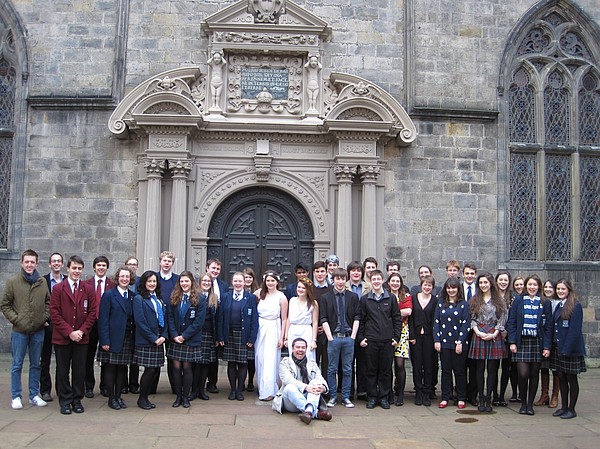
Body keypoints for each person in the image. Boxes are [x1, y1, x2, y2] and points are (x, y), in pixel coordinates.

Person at [1, 249, 51, 409]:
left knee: (36, 363)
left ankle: (33, 395)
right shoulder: (13, 282)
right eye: (27, 262)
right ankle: (16, 396)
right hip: (19, 331)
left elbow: (48, 303)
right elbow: (5, 304)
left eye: (32, 262)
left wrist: (43, 318)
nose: (30, 264)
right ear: (22, 263)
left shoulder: (42, 282)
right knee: (17, 364)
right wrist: (17, 320)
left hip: (38, 330)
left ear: (37, 263)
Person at [50, 255, 97, 415]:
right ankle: (65, 400)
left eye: (79, 268)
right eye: (74, 268)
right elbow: (54, 313)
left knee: (79, 370)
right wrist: (69, 332)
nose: (77, 271)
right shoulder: (58, 289)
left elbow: (92, 312)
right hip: (62, 337)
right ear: (68, 269)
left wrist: (81, 331)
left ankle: (77, 400)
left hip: (82, 338)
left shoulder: (87, 289)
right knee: (62, 370)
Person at [507, 274, 552, 415]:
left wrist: (546, 346)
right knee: (523, 373)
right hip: (522, 342)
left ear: (539, 286)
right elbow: (512, 322)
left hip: (537, 342)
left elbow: (548, 327)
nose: (532, 287)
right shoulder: (518, 301)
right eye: (529, 284)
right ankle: (523, 402)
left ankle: (529, 405)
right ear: (526, 286)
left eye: (535, 285)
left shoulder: (545, 302)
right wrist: (512, 341)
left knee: (534, 374)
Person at [358, 269, 402, 409]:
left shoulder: (391, 298)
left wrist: (396, 337)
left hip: (387, 340)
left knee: (385, 370)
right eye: (373, 279)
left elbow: (397, 319)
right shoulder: (365, 299)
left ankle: (383, 397)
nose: (376, 282)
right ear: (370, 281)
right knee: (371, 370)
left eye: (378, 279)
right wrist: (361, 338)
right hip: (371, 340)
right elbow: (361, 320)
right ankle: (372, 397)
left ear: (383, 280)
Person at [320, 268, 360, 408]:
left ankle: (345, 397)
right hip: (334, 338)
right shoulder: (325, 297)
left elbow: (357, 316)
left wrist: (353, 336)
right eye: (338, 278)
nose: (340, 281)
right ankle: (332, 397)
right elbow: (323, 318)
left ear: (346, 279)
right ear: (333, 280)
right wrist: (330, 337)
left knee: (348, 369)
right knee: (332, 369)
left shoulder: (353, 297)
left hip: (348, 337)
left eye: (343, 279)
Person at [97, 266, 135, 410]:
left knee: (122, 369)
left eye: (127, 277)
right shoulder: (108, 295)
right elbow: (103, 319)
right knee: (111, 369)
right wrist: (104, 340)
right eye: (122, 276)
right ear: (117, 278)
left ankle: (119, 396)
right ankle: (111, 398)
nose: (124, 279)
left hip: (127, 338)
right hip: (112, 338)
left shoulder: (132, 296)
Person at [469, 272, 508, 413]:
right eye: (481, 283)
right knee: (479, 369)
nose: (483, 285)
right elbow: (472, 318)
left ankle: (489, 398)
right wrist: (478, 332)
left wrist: (495, 333)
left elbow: (503, 318)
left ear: (491, 283)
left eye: (485, 282)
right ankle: (481, 397)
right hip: (479, 333)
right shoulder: (475, 299)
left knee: (492, 369)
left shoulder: (499, 300)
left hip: (494, 334)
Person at [166, 271, 206, 408]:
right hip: (175, 338)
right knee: (176, 368)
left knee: (187, 367)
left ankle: (186, 397)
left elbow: (199, 322)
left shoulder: (200, 299)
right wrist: (174, 335)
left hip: (190, 338)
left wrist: (184, 336)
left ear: (191, 282)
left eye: (186, 281)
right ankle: (178, 396)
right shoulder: (174, 297)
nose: (184, 284)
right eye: (182, 281)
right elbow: (170, 317)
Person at [217, 272, 258, 401]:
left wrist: (252, 338)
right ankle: (233, 390)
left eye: (240, 281)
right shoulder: (225, 297)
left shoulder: (250, 298)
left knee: (242, 363)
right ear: (232, 282)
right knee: (231, 363)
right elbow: (220, 318)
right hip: (229, 334)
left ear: (244, 282)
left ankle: (240, 390)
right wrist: (221, 337)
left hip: (243, 334)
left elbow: (254, 320)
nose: (238, 283)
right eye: (235, 281)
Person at [272, 337, 332, 424]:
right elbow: (288, 380)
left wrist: (323, 388)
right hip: (290, 400)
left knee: (316, 383)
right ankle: (316, 413)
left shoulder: (312, 363)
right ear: (292, 349)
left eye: (303, 347)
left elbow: (320, 378)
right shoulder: (284, 363)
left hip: (308, 397)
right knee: (289, 387)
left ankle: (308, 412)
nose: (300, 350)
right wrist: (306, 387)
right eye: (298, 347)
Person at [549, 279, 586, 419]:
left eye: (563, 289)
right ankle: (563, 407)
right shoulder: (559, 305)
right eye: (558, 289)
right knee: (561, 378)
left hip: (570, 350)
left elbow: (574, 331)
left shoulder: (576, 306)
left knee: (571, 378)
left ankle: (572, 409)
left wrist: (566, 349)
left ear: (568, 290)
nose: (560, 291)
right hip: (558, 348)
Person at [133, 271, 168, 410]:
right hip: (147, 339)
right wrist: (153, 338)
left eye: (154, 281)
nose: (152, 284)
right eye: (149, 281)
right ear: (144, 283)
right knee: (149, 370)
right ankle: (142, 398)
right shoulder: (139, 299)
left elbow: (164, 319)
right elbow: (140, 322)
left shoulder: (159, 298)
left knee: (154, 370)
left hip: (159, 338)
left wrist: (164, 336)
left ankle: (145, 397)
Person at [434, 277, 469, 409]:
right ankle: (445, 397)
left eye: (453, 287)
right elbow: (436, 322)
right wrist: (437, 340)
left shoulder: (463, 304)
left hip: (459, 343)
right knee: (446, 371)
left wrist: (460, 342)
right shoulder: (441, 303)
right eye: (449, 288)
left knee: (459, 371)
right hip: (444, 343)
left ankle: (461, 397)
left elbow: (465, 324)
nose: (451, 290)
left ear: (458, 289)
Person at [83, 255, 114, 399]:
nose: (101, 268)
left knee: (106, 356)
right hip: (91, 324)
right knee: (88, 356)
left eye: (104, 265)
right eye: (99, 265)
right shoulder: (86, 284)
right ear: (94, 267)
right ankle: (88, 386)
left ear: (107, 268)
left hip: (106, 325)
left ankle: (105, 386)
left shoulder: (112, 284)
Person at [254, 270, 288, 401]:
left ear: (277, 282)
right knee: (260, 358)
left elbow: (284, 318)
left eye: (272, 280)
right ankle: (261, 386)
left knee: (270, 359)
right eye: (268, 280)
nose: (270, 283)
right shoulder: (258, 294)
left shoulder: (282, 297)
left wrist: (282, 337)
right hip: (260, 328)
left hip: (274, 328)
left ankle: (269, 390)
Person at [41, 252, 66, 402]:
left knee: (62, 361)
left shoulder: (68, 280)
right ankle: (45, 390)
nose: (56, 263)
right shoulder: (42, 281)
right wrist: (43, 320)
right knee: (45, 359)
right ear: (50, 264)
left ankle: (61, 389)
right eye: (54, 261)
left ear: (62, 264)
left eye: (59, 261)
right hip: (47, 325)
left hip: (63, 327)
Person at [408, 275, 437, 406]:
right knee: (417, 365)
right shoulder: (413, 298)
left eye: (429, 285)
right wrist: (412, 336)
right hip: (416, 337)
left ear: (432, 287)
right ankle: (418, 392)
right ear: (421, 285)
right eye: (425, 285)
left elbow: (436, 320)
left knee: (429, 365)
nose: (427, 287)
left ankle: (426, 392)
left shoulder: (435, 300)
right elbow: (411, 319)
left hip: (429, 337)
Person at [191, 273, 219, 400]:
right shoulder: (195, 297)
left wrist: (217, 337)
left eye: (209, 281)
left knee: (205, 364)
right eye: (204, 281)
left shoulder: (214, 298)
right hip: (197, 333)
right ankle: (193, 390)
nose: (207, 283)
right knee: (195, 364)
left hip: (209, 334)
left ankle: (201, 390)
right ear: (200, 282)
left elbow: (217, 319)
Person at [387, 272, 412, 406]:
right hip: (386, 332)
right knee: (387, 365)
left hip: (402, 333)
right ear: (389, 282)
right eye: (393, 281)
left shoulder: (406, 296)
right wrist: (398, 312)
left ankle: (400, 393)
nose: (395, 283)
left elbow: (408, 311)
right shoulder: (385, 295)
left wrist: (390, 313)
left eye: (397, 281)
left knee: (399, 364)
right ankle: (389, 393)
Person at [494, 270, 517, 406]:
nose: (503, 282)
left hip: (508, 336)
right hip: (495, 336)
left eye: (506, 280)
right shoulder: (492, 296)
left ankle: (502, 395)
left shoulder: (513, 297)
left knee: (506, 368)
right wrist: (497, 330)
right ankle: (494, 395)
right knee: (494, 368)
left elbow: (514, 317)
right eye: (501, 280)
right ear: (496, 281)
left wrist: (506, 331)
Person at [536, 279, 560, 408]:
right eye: (546, 287)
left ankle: (555, 395)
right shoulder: (541, 302)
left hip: (555, 340)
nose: (548, 289)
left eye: (551, 287)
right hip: (544, 339)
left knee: (556, 369)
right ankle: (544, 394)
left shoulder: (558, 303)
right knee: (544, 367)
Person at [206, 258, 228, 394]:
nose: (215, 271)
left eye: (218, 269)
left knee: (214, 356)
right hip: (205, 323)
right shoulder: (199, 282)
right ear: (207, 268)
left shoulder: (224, 286)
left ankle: (212, 382)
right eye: (213, 268)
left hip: (218, 322)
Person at [285, 277, 319, 362]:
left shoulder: (313, 303)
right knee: (293, 357)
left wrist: (313, 340)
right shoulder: (292, 300)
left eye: (303, 288)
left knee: (307, 356)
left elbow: (315, 322)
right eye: (299, 287)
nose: (300, 289)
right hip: (293, 330)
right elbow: (289, 319)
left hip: (306, 331)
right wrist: (286, 337)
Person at [123, 256, 140, 394]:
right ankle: (123, 383)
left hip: (137, 324)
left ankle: (134, 383)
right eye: (130, 264)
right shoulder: (119, 281)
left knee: (135, 357)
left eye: (134, 264)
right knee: (123, 355)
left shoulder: (140, 282)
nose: (132, 266)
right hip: (123, 324)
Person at [311, 261, 332, 372]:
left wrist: (325, 327)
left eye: (322, 271)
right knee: (312, 362)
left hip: (328, 331)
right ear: (313, 273)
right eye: (317, 271)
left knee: (327, 363)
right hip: (312, 331)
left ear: (327, 272)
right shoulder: (309, 290)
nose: (320, 274)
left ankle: (325, 386)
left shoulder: (332, 290)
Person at [241, 267, 259, 392]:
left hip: (253, 325)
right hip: (241, 327)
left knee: (251, 358)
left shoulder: (258, 292)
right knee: (241, 358)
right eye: (245, 277)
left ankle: (251, 381)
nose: (248, 279)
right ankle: (240, 381)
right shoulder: (238, 290)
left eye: (250, 277)